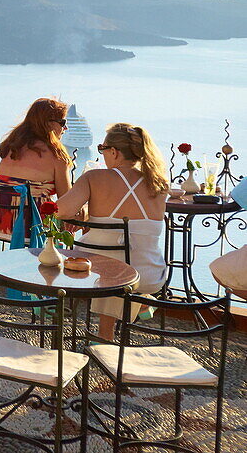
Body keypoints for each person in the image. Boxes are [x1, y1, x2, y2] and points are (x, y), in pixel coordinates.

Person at [58, 123, 170, 339]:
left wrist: (83, 211)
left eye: (102, 149)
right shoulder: (159, 183)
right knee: (119, 263)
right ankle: (138, 305)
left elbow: (61, 211)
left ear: (114, 152)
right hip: (150, 274)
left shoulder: (94, 177)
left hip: (102, 274)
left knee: (109, 267)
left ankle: (102, 337)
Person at [0, 97, 74, 236]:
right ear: (48, 124)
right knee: (75, 222)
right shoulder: (56, 155)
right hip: (31, 225)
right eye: (62, 123)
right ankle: (57, 256)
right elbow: (67, 201)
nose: (65, 128)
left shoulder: (11, 147)